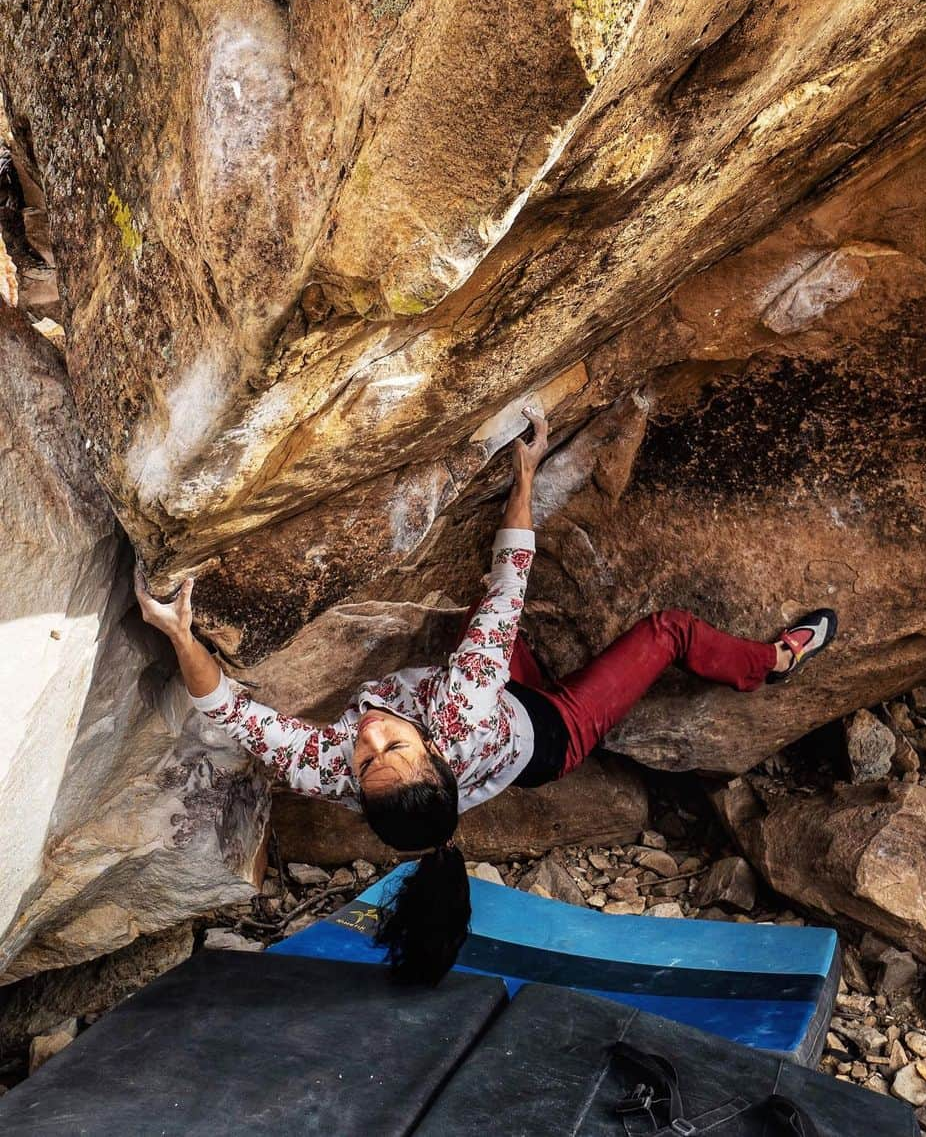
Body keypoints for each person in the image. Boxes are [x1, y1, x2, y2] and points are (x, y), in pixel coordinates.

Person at [135, 406, 837, 985]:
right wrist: (526, 474)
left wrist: (176, 631)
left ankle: (750, 662)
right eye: (389, 744)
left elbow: (227, 711)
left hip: (508, 710)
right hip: (559, 731)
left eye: (373, 749)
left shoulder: (324, 763)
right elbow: (511, 582)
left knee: (497, 625)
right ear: (435, 750)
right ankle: (772, 662)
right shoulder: (458, 704)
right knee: (668, 631)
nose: (372, 729)